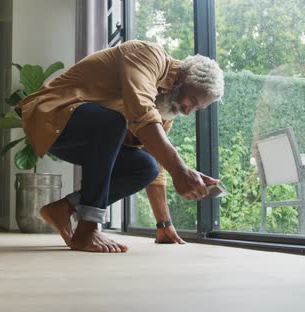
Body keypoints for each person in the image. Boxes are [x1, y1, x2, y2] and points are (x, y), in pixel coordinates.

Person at [16, 40, 224, 253]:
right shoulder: (147, 55)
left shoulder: (166, 108)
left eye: (198, 108)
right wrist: (180, 169)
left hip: (80, 139)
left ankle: (64, 208)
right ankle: (87, 229)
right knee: (112, 123)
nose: (188, 111)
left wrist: (165, 225)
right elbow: (142, 112)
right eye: (192, 100)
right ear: (181, 77)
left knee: (147, 167)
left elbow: (159, 164)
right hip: (50, 115)